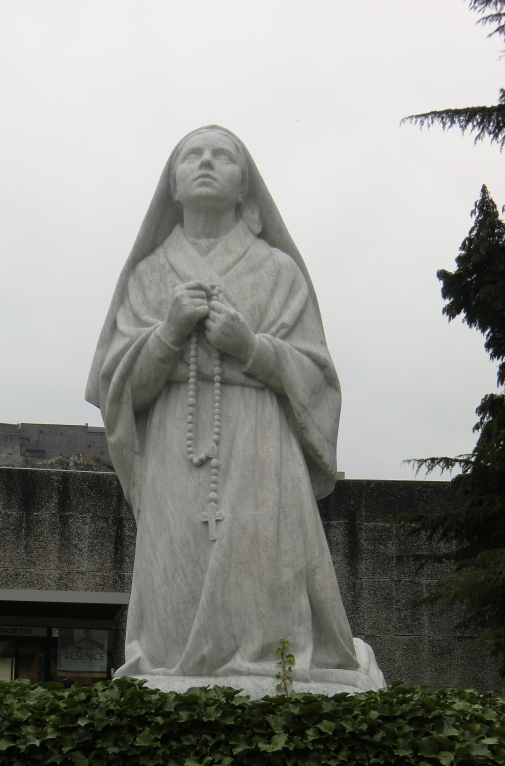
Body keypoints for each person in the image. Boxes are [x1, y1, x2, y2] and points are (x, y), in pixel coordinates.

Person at [86, 126, 384, 696]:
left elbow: (319, 378)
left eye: (221, 155)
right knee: (175, 584)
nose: (205, 162)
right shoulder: (148, 277)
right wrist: (167, 334)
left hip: (261, 445)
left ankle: (270, 660)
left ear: (245, 184)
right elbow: (119, 386)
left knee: (263, 573)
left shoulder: (278, 271)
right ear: (171, 184)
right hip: (176, 444)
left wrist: (251, 347)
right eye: (191, 155)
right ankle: (171, 657)